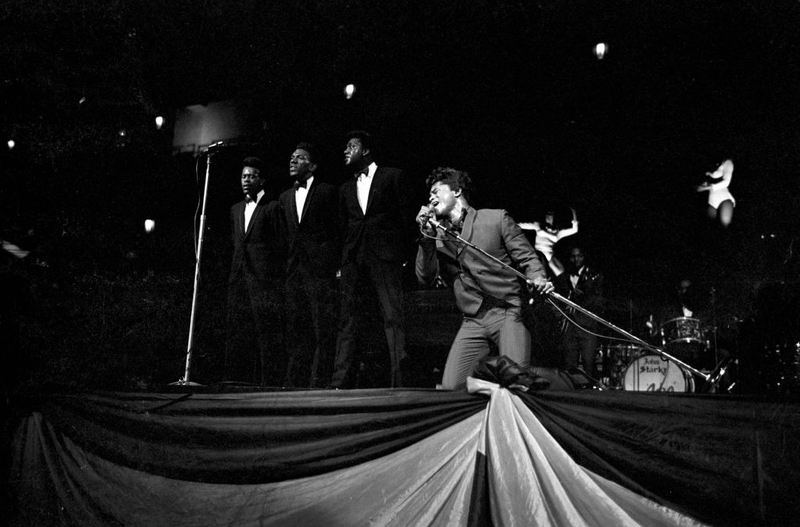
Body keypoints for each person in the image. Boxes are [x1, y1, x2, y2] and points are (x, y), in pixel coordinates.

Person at [415, 167, 553, 390]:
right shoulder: (437, 237)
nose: (431, 197)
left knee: (515, 383)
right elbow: (425, 278)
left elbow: (528, 257)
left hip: (507, 311)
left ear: (457, 191)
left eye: (436, 191)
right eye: (429, 194)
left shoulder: (495, 218)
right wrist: (426, 237)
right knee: (451, 388)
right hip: (472, 320)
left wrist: (538, 278)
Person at [330, 131, 413, 388]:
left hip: (385, 257)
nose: (345, 151)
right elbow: (344, 228)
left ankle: (399, 383)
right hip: (354, 259)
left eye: (350, 146)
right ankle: (339, 383)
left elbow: (406, 219)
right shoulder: (345, 188)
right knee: (348, 321)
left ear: (365, 150)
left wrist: (402, 257)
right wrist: (343, 263)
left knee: (392, 318)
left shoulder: (392, 176)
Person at [277, 143, 340, 388]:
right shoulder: (284, 197)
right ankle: (294, 384)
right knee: (296, 330)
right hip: (294, 273)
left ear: (312, 166)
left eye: (300, 158)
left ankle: (319, 384)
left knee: (322, 330)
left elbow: (336, 232)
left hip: (320, 272)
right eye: (291, 157)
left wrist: (332, 265)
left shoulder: (327, 191)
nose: (293, 160)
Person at [224, 156, 284, 385]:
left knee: (264, 332)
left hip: (262, 279)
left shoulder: (271, 206)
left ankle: (268, 382)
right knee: (238, 330)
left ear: (262, 180)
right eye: (243, 176)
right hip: (238, 276)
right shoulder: (235, 209)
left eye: (251, 176)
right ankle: (235, 381)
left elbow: (279, 243)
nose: (246, 180)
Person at [555, 246, 604, 379]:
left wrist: (584, 296)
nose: (576, 259)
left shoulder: (594, 276)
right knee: (569, 364)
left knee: (589, 363)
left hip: (587, 326)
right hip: (570, 326)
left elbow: (599, 301)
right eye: (573, 256)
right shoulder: (563, 277)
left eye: (579, 256)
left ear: (584, 257)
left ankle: (590, 394)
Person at [519, 208, 578, 276]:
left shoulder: (558, 233)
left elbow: (575, 229)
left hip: (550, 255)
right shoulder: (539, 226)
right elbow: (522, 225)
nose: (547, 217)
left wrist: (574, 212)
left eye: (550, 215)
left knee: (561, 272)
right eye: (547, 214)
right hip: (539, 254)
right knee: (542, 271)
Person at [696, 159, 735, 227]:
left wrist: (705, 188)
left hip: (723, 198)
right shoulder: (711, 165)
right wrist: (702, 185)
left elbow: (726, 182)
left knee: (725, 225)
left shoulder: (727, 162)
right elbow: (701, 186)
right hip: (711, 201)